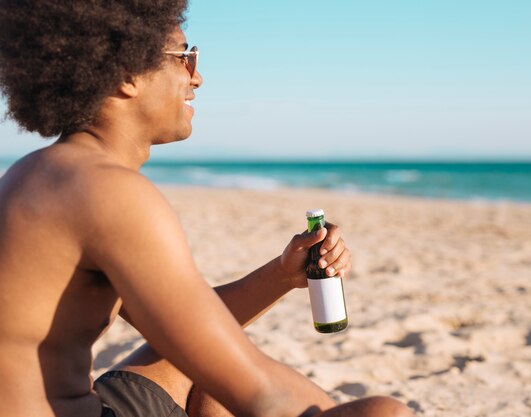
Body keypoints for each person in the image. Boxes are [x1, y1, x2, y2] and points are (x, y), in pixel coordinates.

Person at [0, 1, 414, 417]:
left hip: (82, 404)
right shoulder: (109, 192)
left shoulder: (35, 175)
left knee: (205, 366)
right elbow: (259, 395)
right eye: (185, 56)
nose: (197, 76)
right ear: (126, 74)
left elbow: (190, 331)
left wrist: (283, 275)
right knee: (386, 412)